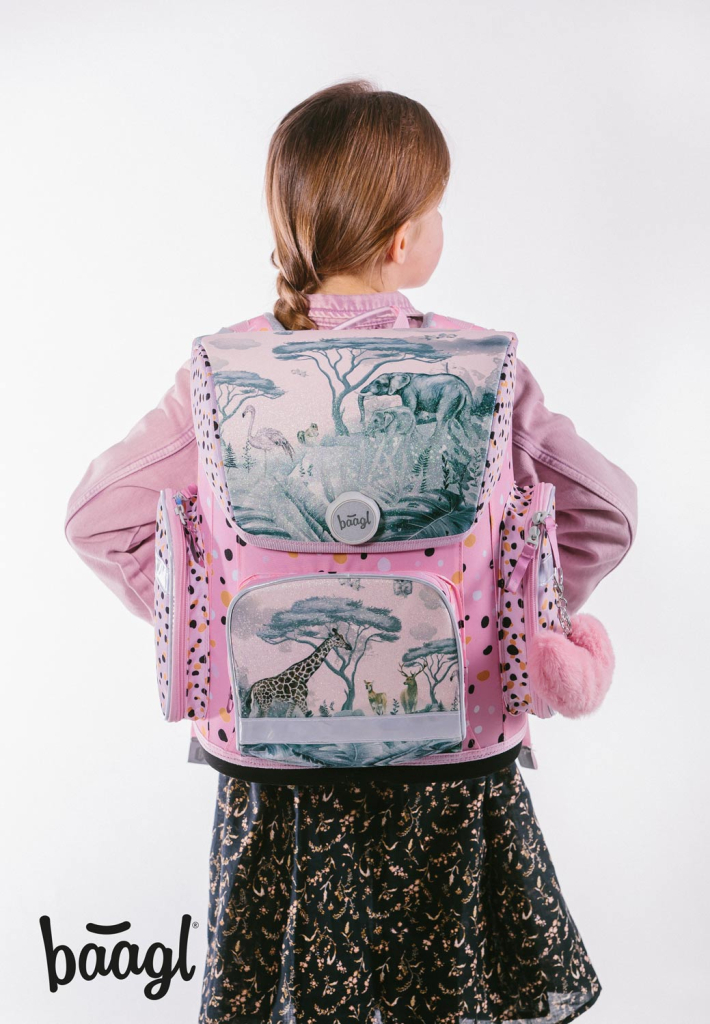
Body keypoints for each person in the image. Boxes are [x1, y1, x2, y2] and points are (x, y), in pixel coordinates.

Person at [64, 79, 638, 1024]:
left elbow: (96, 518)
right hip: (455, 761)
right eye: (436, 208)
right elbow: (607, 511)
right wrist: (512, 617)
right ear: (402, 240)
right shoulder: (484, 368)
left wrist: (209, 617)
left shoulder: (219, 372)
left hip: (275, 771)